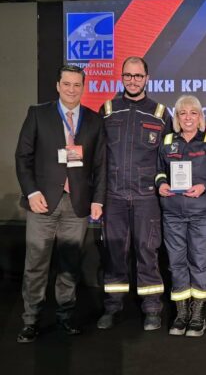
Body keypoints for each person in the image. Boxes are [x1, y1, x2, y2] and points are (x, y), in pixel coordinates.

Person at [15, 64, 106, 343]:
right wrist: (31, 193)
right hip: (43, 203)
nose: (71, 89)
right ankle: (31, 320)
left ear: (83, 87)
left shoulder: (94, 120)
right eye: (66, 84)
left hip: (77, 204)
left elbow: (101, 165)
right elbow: (23, 157)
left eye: (77, 85)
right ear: (57, 86)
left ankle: (65, 317)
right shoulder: (38, 114)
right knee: (36, 265)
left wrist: (98, 199)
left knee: (70, 265)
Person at [97, 56, 172, 331]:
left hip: (146, 197)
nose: (133, 80)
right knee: (114, 252)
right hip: (114, 196)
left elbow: (168, 158)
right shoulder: (107, 110)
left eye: (138, 76)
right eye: (128, 75)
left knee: (147, 252)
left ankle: (152, 309)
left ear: (147, 78)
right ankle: (112, 307)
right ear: (122, 77)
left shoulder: (160, 113)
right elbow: (98, 157)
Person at [155, 95, 206, 337]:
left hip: (202, 213)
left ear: (200, 117)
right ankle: (181, 312)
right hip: (172, 213)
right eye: (182, 113)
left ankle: (198, 313)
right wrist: (162, 184)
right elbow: (159, 171)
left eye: (193, 113)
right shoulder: (167, 141)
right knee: (176, 262)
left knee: (199, 260)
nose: (188, 117)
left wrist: (204, 186)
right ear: (176, 117)